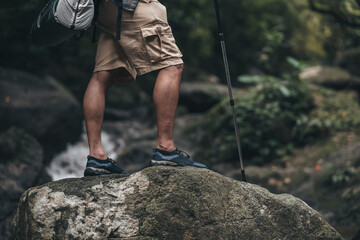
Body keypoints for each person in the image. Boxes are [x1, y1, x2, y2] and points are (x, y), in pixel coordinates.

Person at [83, 0, 207, 176]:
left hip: (106, 10)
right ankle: (166, 149)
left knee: (102, 75)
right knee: (172, 65)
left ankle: (96, 157)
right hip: (133, 7)